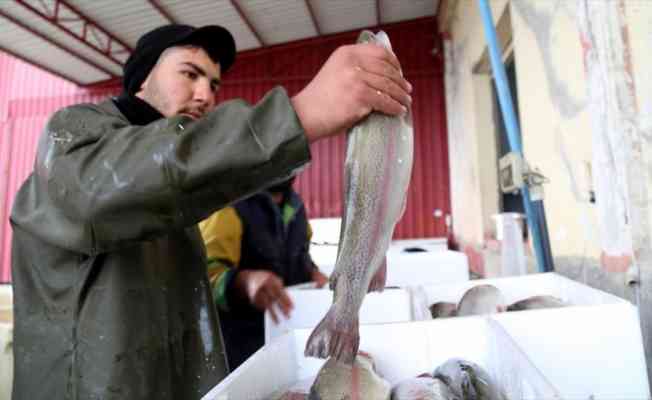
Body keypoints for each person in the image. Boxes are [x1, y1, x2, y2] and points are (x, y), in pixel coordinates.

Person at [9, 23, 412, 400]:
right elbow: (112, 186)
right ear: (144, 75)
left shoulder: (183, 193)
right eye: (189, 74)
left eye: (214, 83)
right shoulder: (74, 138)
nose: (206, 94)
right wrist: (301, 115)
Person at [199, 175, 328, 370]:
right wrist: (245, 281)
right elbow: (202, 283)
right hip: (239, 358)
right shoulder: (227, 206)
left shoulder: (296, 205)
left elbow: (302, 254)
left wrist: (313, 273)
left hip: (286, 346)